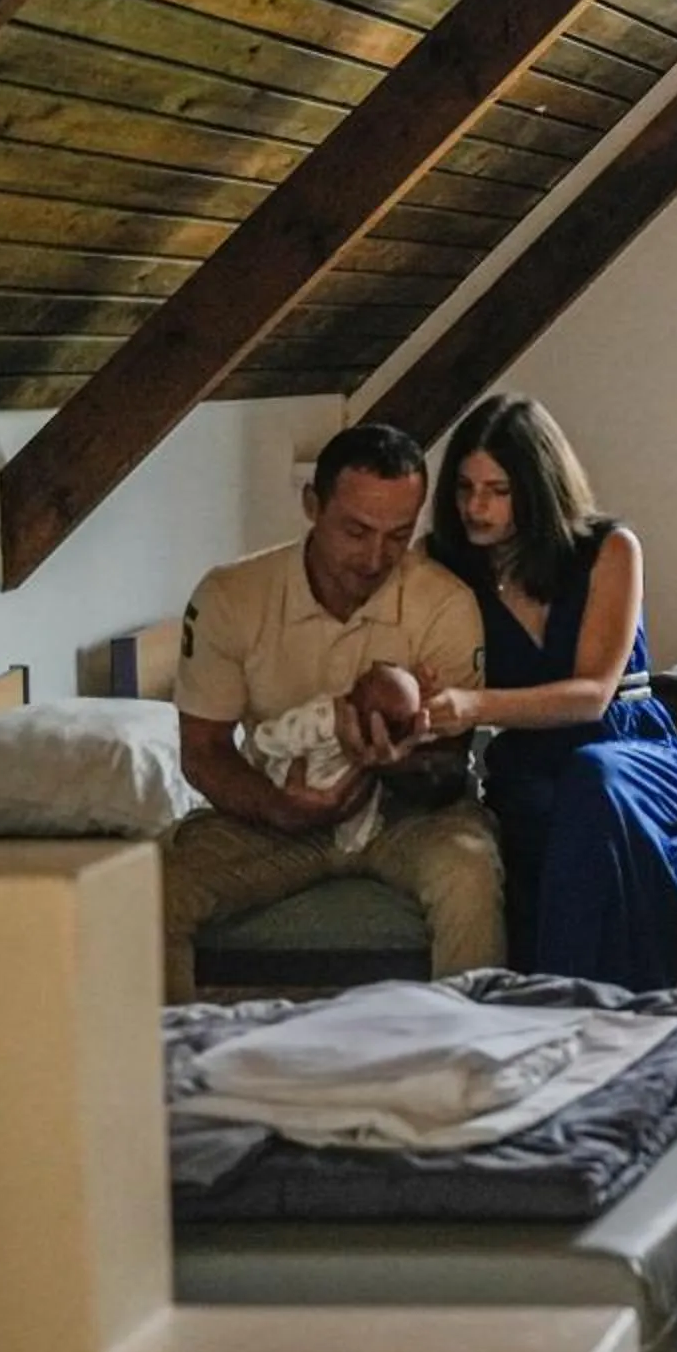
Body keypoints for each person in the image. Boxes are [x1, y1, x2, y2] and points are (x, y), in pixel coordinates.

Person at [162, 424, 500, 1004]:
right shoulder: (232, 598)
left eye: (398, 535)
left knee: (469, 870)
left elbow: (451, 766)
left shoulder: (444, 603)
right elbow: (203, 752)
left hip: (404, 816)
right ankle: (164, 1074)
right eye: (355, 530)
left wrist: (397, 764)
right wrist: (278, 807)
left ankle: (468, 1061)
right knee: (144, 894)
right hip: (269, 811)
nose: (375, 558)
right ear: (312, 505)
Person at [420, 393, 677, 992]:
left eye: (498, 490)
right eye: (464, 489)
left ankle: (570, 998)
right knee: (532, 811)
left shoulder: (609, 549)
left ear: (538, 485)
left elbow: (592, 695)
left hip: (629, 748)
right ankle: (567, 999)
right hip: (529, 758)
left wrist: (475, 705)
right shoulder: (444, 566)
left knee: (591, 778)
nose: (477, 506)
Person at [245, 661, 424, 856]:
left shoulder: (385, 748)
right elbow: (281, 737)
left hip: (339, 804)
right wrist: (283, 748)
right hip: (291, 790)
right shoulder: (322, 717)